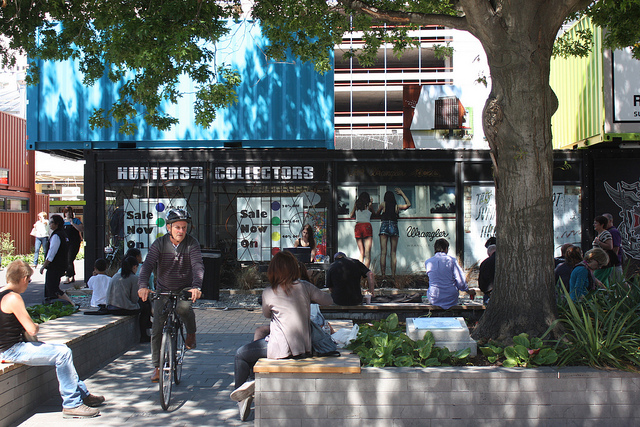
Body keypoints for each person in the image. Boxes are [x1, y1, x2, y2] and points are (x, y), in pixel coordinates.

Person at [230, 251, 333, 421]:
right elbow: (328, 300)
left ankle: (242, 395)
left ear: (273, 271)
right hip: (304, 347)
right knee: (260, 337)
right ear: (294, 269)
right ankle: (250, 384)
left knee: (241, 354)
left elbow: (266, 314)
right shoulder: (305, 287)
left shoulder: (269, 292)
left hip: (280, 349)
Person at [1, 261, 105, 418]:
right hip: (12, 350)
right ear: (24, 278)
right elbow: (31, 329)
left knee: (60, 350)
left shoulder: (1, 294)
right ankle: (72, 404)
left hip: (7, 348)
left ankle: (83, 393)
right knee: (63, 353)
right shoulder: (13, 298)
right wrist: (36, 325)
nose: (28, 285)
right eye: (29, 281)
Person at [137, 208, 204, 383]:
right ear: (168, 227)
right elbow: (147, 265)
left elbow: (198, 266)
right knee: (157, 327)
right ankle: (157, 367)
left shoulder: (192, 243)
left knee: (184, 309)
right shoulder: (159, 244)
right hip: (163, 289)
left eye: (184, 227)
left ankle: (191, 333)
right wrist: (143, 285)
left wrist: (196, 286)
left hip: (184, 288)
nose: (181, 231)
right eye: (177, 227)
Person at [425, 238, 476, 309]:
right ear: (446, 249)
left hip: (434, 297)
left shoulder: (428, 262)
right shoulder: (452, 261)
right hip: (450, 298)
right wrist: (467, 290)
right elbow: (460, 281)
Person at [376, 188, 411, 280]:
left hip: (384, 225)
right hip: (394, 226)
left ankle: (383, 275)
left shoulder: (383, 204)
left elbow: (377, 213)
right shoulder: (396, 206)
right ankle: (393, 275)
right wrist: (402, 193)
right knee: (393, 253)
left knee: (383, 252)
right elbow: (408, 205)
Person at [39, 215, 74, 306]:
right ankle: (68, 303)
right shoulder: (63, 234)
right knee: (54, 288)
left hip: (55, 266)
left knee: (52, 288)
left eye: (51, 222)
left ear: (56, 224)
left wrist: (44, 265)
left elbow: (52, 253)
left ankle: (69, 304)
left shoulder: (56, 236)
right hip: (62, 264)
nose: (50, 224)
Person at [350, 192, 375, 268]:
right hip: (366, 226)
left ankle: (359, 274)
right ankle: (365, 274)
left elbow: (351, 215)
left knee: (361, 253)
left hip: (358, 226)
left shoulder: (357, 206)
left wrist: (355, 207)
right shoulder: (369, 206)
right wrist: (371, 203)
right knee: (367, 254)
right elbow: (374, 214)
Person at [62, 206, 84, 284]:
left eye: (70, 212)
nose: (69, 214)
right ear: (64, 213)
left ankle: (68, 276)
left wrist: (73, 224)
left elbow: (81, 229)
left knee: (70, 258)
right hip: (65, 243)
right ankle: (72, 275)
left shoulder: (76, 220)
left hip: (74, 242)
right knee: (68, 259)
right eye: (67, 212)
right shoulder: (62, 221)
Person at [592, 215, 616, 284]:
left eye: (596, 223)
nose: (594, 225)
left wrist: (599, 242)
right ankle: (606, 293)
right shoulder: (599, 234)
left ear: (602, 225)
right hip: (598, 261)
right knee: (604, 282)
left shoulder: (606, 233)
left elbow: (610, 246)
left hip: (603, 263)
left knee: (596, 280)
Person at [603, 212, 623, 277]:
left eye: (605, 220)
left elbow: (616, 247)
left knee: (619, 281)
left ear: (610, 221)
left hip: (614, 264)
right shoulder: (606, 232)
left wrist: (612, 261)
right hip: (608, 263)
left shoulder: (613, 232)